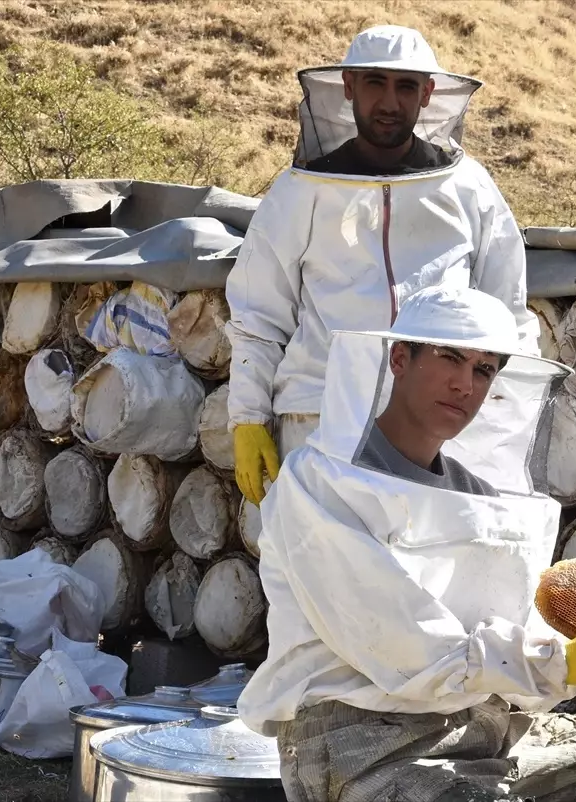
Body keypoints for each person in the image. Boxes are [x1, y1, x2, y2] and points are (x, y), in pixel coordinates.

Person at [237, 285, 576, 802]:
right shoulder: (319, 485)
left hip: (486, 736)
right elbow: (401, 645)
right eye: (449, 359)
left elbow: (514, 636)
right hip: (365, 745)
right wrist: (560, 664)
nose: (465, 384)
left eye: (484, 369)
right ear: (399, 358)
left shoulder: (481, 498)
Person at [225, 24, 538, 507]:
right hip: (320, 419)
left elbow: (507, 316)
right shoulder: (301, 190)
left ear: (428, 94)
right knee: (318, 576)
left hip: (435, 437)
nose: (390, 102)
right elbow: (258, 312)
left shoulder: (469, 188)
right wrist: (247, 417)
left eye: (406, 86)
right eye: (375, 83)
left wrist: (507, 433)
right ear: (348, 85)